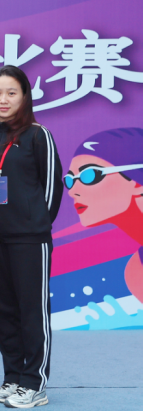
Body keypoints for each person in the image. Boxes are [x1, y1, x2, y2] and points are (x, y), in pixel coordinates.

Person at [0, 65, 62, 409]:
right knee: (4, 309)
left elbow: (52, 188)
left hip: (29, 239)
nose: (4, 99)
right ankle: (12, 376)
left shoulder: (38, 135)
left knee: (32, 309)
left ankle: (34, 383)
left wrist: (36, 225)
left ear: (25, 96)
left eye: (12, 93)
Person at [67, 128, 143, 302]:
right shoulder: (136, 270)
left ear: (137, 182)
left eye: (90, 175)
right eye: (70, 180)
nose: (72, 191)